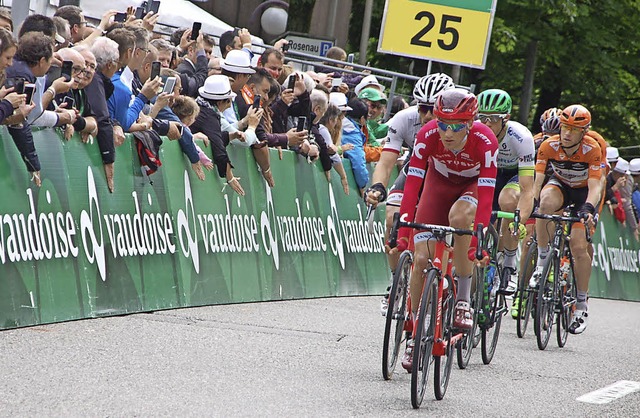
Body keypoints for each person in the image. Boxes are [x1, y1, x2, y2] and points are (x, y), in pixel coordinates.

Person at [394, 88, 498, 371]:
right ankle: (415, 332)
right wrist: (404, 230)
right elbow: (413, 182)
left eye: (456, 126)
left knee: (461, 217)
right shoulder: (427, 135)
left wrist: (480, 235)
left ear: (470, 123)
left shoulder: (484, 140)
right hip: (437, 184)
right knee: (421, 259)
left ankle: (463, 299)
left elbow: (488, 193)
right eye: (442, 124)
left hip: (471, 186)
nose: (447, 132)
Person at [364, 73, 455, 314]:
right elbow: (385, 163)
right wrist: (378, 187)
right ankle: (398, 282)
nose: (426, 115)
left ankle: (448, 280)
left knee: (447, 227)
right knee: (392, 218)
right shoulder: (404, 119)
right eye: (422, 108)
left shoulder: (457, 123)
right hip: (415, 172)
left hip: (448, 177)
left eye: (432, 109)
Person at [531, 104, 603, 334]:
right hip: (560, 185)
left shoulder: (592, 148)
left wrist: (589, 208)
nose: (567, 133)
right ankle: (543, 261)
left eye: (573, 129)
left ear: (584, 132)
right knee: (545, 204)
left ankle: (581, 303)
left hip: (584, 193)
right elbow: (537, 180)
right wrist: (531, 203)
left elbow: (595, 186)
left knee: (578, 246)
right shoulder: (547, 145)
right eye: (564, 127)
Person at [476, 89, 535, 292]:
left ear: (506, 118)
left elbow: (528, 189)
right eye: (482, 117)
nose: (486, 123)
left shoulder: (521, 138)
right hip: (487, 172)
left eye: (493, 118)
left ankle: (509, 264)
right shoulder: (474, 131)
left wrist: (520, 220)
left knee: (508, 200)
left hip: (512, 174)